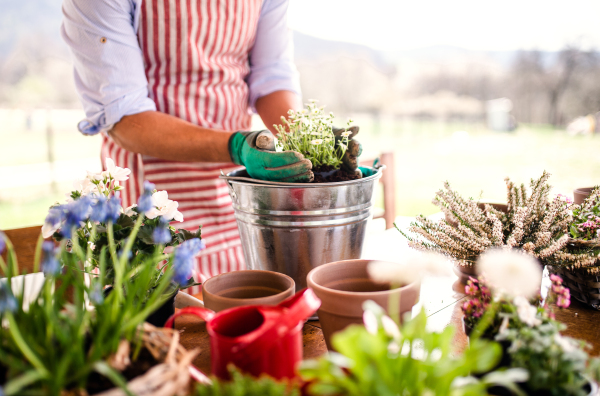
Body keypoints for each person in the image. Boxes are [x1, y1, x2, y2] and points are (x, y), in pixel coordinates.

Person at [61, 0, 361, 290]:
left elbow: (272, 78)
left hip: (238, 195)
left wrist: (311, 138)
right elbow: (127, 118)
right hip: (152, 203)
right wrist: (236, 146)